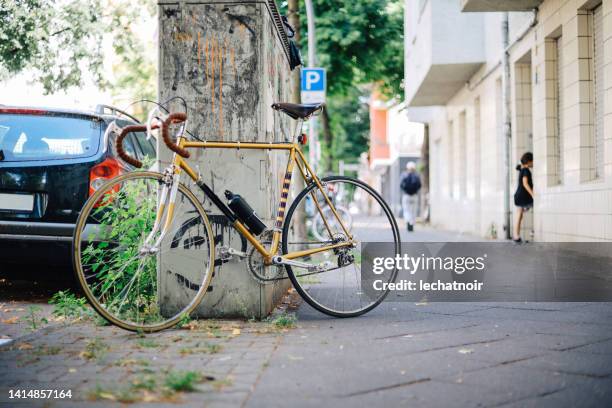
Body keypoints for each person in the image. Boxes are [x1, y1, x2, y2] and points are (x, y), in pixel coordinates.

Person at [513, 152, 534, 243]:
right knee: (536, 209)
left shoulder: (522, 169)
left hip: (519, 196)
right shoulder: (526, 170)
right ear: (529, 162)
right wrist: (533, 194)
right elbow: (525, 184)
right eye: (533, 161)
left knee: (519, 216)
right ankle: (533, 232)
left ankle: (516, 236)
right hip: (523, 196)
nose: (534, 163)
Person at [400, 161, 421, 232]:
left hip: (406, 196)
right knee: (413, 211)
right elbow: (419, 185)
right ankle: (412, 223)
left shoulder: (404, 174)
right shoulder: (417, 175)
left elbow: (401, 185)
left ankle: (408, 221)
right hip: (414, 196)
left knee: (406, 210)